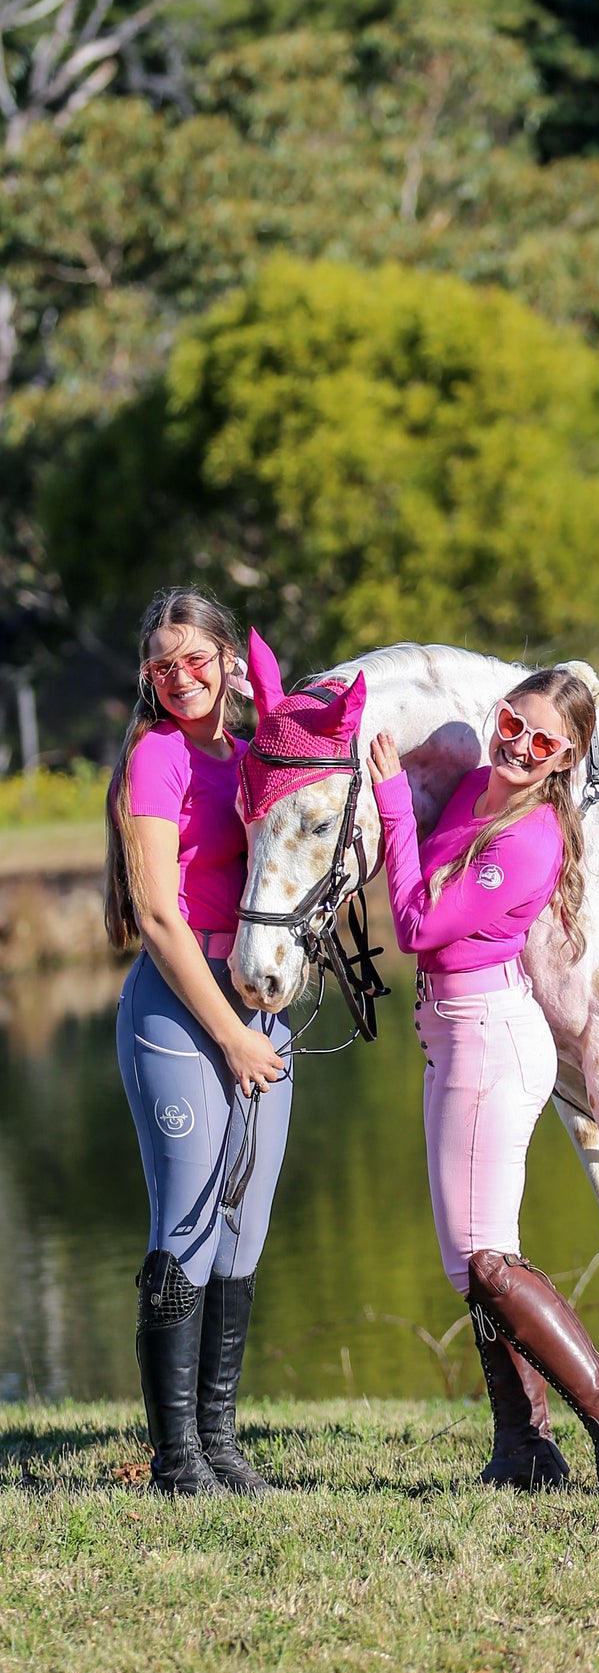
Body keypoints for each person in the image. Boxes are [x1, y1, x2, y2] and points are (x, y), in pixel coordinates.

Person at [368, 670, 599, 1494]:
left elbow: (415, 926)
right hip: (452, 1034)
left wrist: (394, 804)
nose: (518, 744)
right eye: (513, 723)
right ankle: (523, 1449)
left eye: (542, 741)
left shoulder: (533, 836)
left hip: (491, 1043)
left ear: (563, 758)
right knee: (466, 1262)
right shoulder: (476, 789)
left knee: (487, 1262)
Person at [106, 590, 291, 1495]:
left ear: (227, 660)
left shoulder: (256, 754)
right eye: (161, 666)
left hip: (261, 1004)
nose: (179, 678)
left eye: (194, 659)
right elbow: (154, 913)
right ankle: (176, 1459)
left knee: (243, 1229)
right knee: (183, 1224)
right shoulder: (157, 754)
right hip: (181, 1012)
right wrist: (231, 1038)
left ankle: (219, 1440)